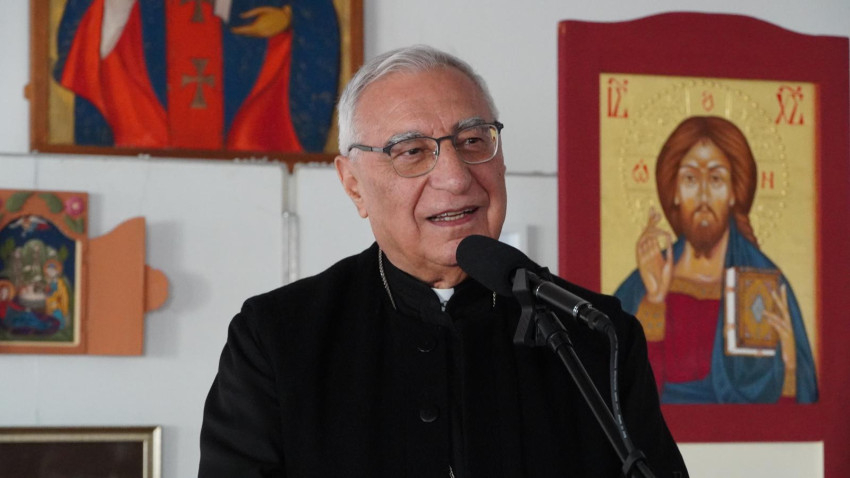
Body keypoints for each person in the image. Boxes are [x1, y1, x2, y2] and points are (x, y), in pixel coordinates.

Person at [200, 45, 687, 477]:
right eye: (412, 151)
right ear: (353, 184)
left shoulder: (595, 332)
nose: (455, 177)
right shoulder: (276, 338)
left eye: (473, 141)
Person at [614, 116, 818, 404]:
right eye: (690, 179)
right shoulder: (643, 284)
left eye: (716, 178)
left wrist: (790, 365)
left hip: (743, 434)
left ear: (734, 192)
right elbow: (620, 397)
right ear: (674, 192)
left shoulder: (767, 284)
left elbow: (797, 412)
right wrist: (654, 301)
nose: (703, 195)